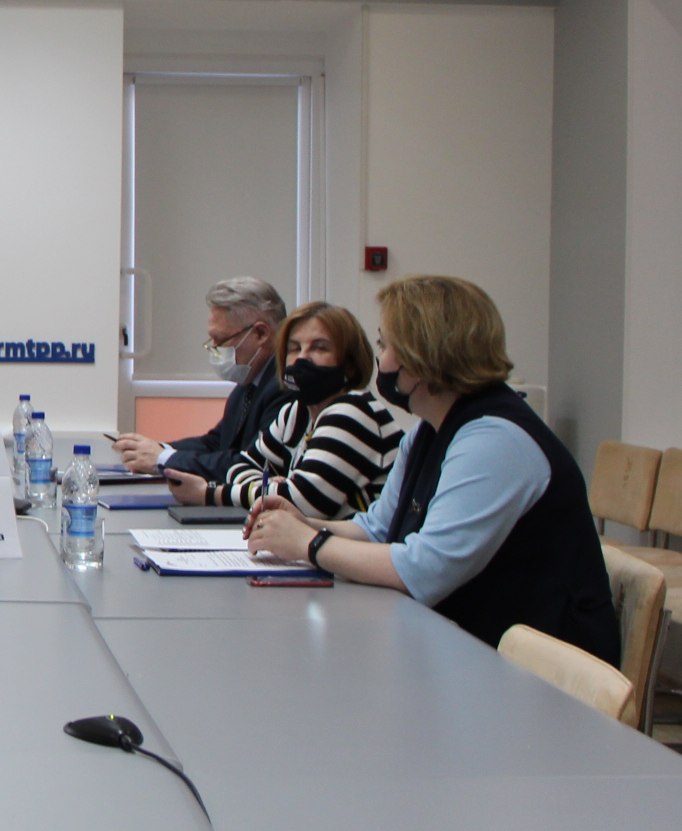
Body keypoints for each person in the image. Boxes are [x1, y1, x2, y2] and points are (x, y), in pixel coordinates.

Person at [245, 275, 619, 662]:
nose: (380, 360)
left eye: (385, 345)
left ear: (421, 357)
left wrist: (310, 545)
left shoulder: (495, 440)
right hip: (476, 647)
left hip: (544, 672)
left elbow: (424, 572)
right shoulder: (429, 432)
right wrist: (303, 524)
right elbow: (378, 528)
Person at [212, 301, 404, 518]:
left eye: (319, 347)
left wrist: (214, 494)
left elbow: (302, 503)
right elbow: (240, 466)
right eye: (294, 348)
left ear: (350, 363)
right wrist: (266, 488)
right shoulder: (295, 412)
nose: (302, 358)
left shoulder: (353, 412)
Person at [111, 277, 292, 486]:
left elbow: (249, 464)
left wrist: (162, 458)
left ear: (261, 333)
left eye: (220, 340)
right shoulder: (247, 387)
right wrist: (157, 449)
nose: (214, 348)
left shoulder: (285, 387)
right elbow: (215, 443)